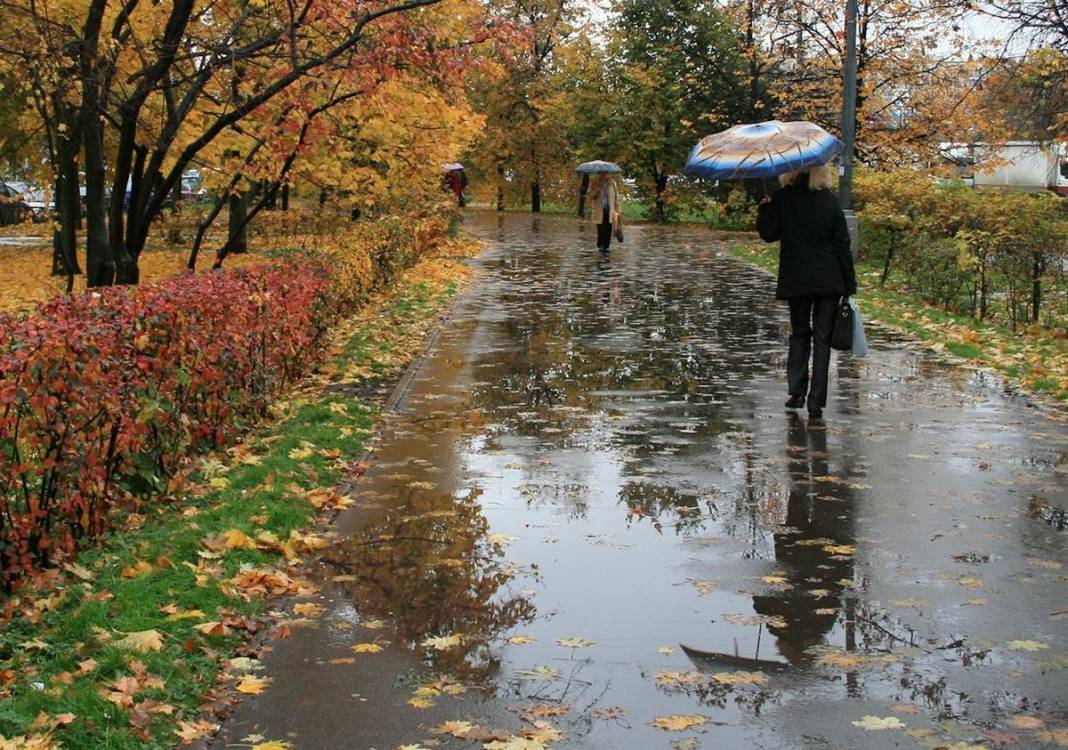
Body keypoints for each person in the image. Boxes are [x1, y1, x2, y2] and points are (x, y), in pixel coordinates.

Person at [756, 163, 857, 420]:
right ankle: (816, 403)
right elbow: (842, 247)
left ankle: (796, 392)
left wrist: (765, 209)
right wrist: (849, 285)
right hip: (829, 281)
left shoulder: (783, 199)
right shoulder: (830, 203)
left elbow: (769, 234)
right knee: (822, 339)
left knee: (800, 334)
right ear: (822, 172)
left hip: (797, 280)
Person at [587, 173, 621, 252]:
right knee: (600, 226)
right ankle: (600, 244)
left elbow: (616, 197)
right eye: (602, 173)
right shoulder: (595, 183)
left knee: (609, 226)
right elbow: (590, 195)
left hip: (610, 209)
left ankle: (606, 245)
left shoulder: (612, 183)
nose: (604, 175)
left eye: (606, 173)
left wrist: (618, 210)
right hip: (600, 209)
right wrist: (596, 191)